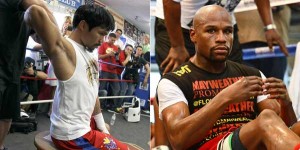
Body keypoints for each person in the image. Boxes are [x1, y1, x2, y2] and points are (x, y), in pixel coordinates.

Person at [157, 5, 300, 149]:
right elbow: (178, 140)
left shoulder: (252, 74)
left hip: (248, 142)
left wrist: (286, 104)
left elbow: (284, 131)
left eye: (227, 31)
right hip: (209, 146)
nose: (221, 39)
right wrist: (224, 98)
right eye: (211, 30)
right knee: (266, 119)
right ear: (193, 35)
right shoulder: (174, 81)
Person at [25, 4, 128, 149]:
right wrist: (44, 33)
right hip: (73, 135)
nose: (102, 40)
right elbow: (33, 11)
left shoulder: (91, 51)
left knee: (111, 133)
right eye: (100, 33)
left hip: (84, 123)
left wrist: (101, 126)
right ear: (83, 25)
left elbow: (93, 91)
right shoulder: (66, 49)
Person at [155, 0, 289, 75]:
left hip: (224, 22)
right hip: (178, 27)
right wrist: (177, 45)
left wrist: (269, 26)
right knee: (178, 83)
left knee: (234, 79)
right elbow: (170, 2)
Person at [0, 1, 53, 149]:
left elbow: (38, 36)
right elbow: (40, 7)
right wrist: (60, 41)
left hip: (13, 70)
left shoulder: (26, 15)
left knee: (6, 116)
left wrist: (49, 39)